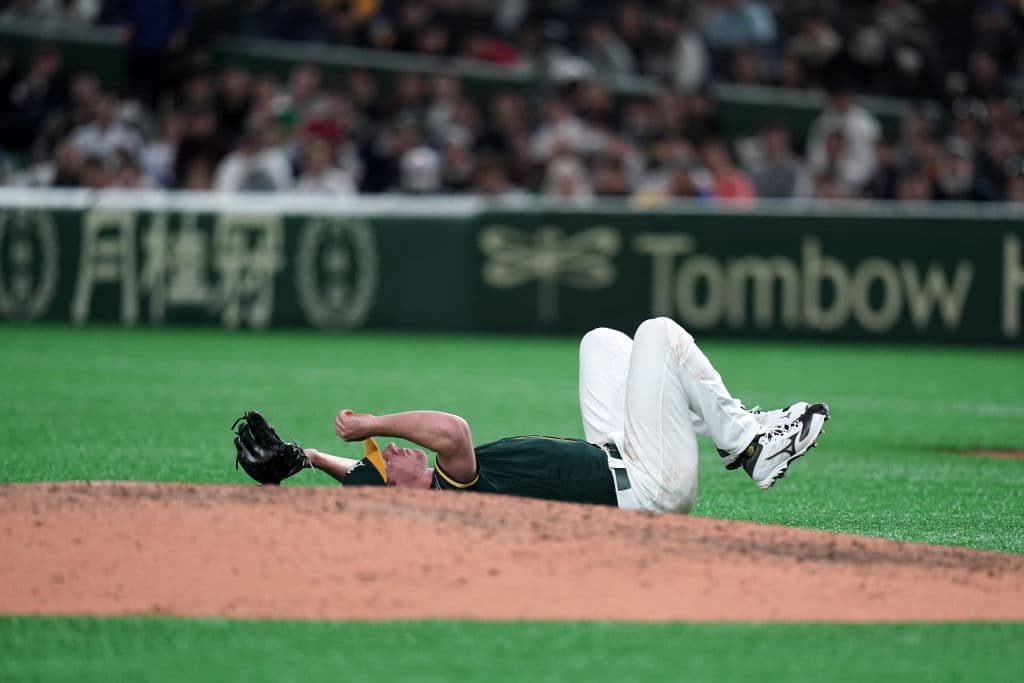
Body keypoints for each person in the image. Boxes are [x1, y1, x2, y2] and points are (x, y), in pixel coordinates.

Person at [306, 318, 829, 514]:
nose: (390, 450)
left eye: (382, 449)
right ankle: (749, 445)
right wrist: (371, 426)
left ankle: (703, 419)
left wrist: (309, 457)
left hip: (623, 458)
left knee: (602, 343)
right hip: (649, 487)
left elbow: (360, 481)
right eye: (385, 460)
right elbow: (452, 430)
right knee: (659, 334)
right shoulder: (449, 490)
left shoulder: (434, 489)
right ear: (397, 492)